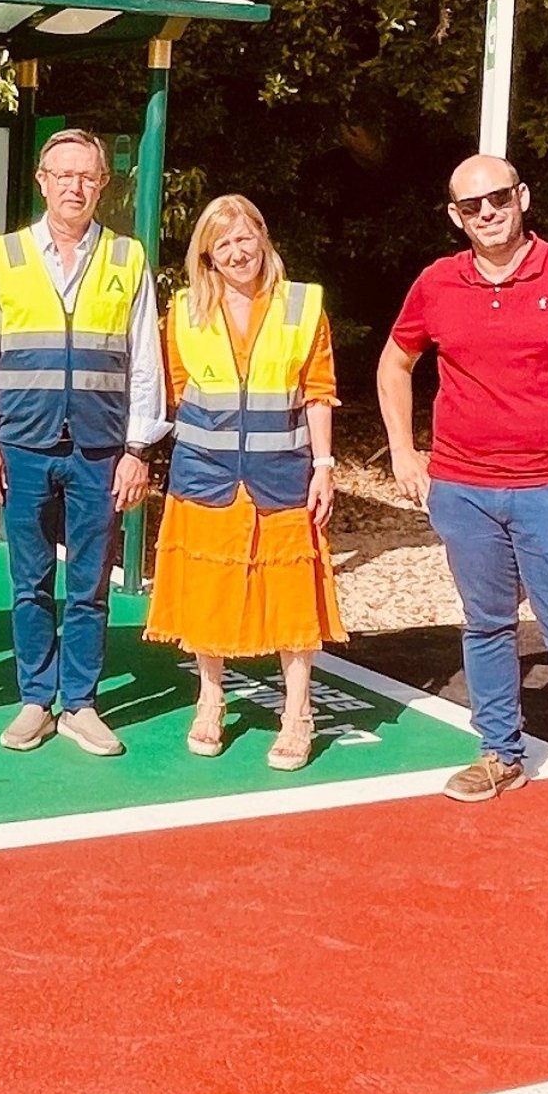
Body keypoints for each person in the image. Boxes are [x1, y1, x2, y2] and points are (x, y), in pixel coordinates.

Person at [378, 154, 548, 846]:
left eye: (499, 197)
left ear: (523, 196)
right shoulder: (438, 281)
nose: (488, 213)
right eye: (472, 205)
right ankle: (501, 753)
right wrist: (406, 452)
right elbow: (395, 360)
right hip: (464, 488)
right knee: (486, 624)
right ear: (454, 215)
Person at [0, 128, 168, 756]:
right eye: (62, 175)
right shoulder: (6, 255)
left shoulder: (128, 258)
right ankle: (34, 699)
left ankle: (79, 703)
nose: (74, 186)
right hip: (22, 447)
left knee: (89, 585)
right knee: (28, 581)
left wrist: (138, 450)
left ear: (104, 184)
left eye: (87, 176)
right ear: (42, 182)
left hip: (101, 450)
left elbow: (144, 363)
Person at [144, 195, 344, 771]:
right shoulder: (182, 310)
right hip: (205, 477)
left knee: (292, 596)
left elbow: (318, 389)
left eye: (243, 239)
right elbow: (176, 391)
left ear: (263, 237)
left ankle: (298, 712)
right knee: (208, 591)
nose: (236, 253)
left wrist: (325, 466)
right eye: (221, 244)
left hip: (283, 475)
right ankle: (209, 700)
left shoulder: (303, 305)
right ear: (206, 255)